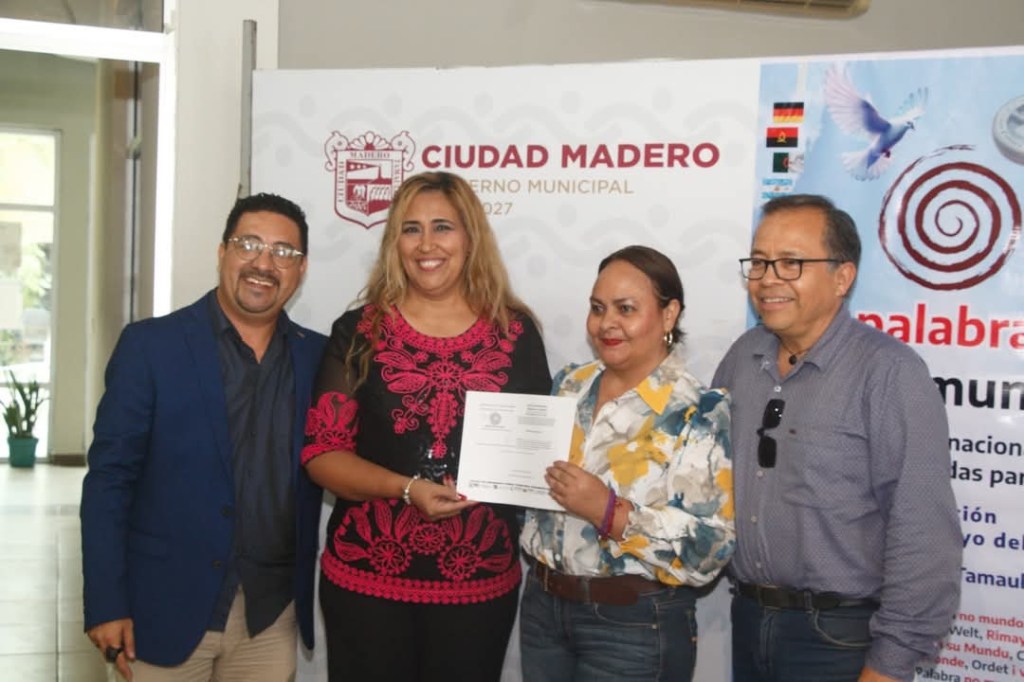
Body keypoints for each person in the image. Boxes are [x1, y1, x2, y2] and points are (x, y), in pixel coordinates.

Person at [302, 171, 551, 682]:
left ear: (471, 238)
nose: (426, 244)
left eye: (443, 227)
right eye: (410, 229)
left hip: (476, 586)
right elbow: (322, 455)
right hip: (367, 583)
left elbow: (531, 453)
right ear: (394, 242)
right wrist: (406, 488)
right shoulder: (359, 332)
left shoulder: (516, 333)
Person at [713, 194, 961, 682]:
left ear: (842, 277)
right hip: (748, 619)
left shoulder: (889, 372)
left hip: (838, 638)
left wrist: (889, 666)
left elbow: (924, 533)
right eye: (759, 262)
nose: (768, 279)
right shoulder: (743, 357)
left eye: (791, 263)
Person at [80, 193, 327, 681]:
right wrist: (106, 601)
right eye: (248, 244)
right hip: (162, 609)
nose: (263, 263)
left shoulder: (318, 358)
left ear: (300, 270)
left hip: (269, 616)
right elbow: (109, 480)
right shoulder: (150, 346)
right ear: (222, 252)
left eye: (283, 252)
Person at [519, 245, 735, 682]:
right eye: (597, 308)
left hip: (633, 624)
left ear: (669, 315)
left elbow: (709, 549)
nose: (606, 324)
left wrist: (609, 511)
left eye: (626, 309)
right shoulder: (569, 384)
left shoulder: (697, 409)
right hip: (543, 607)